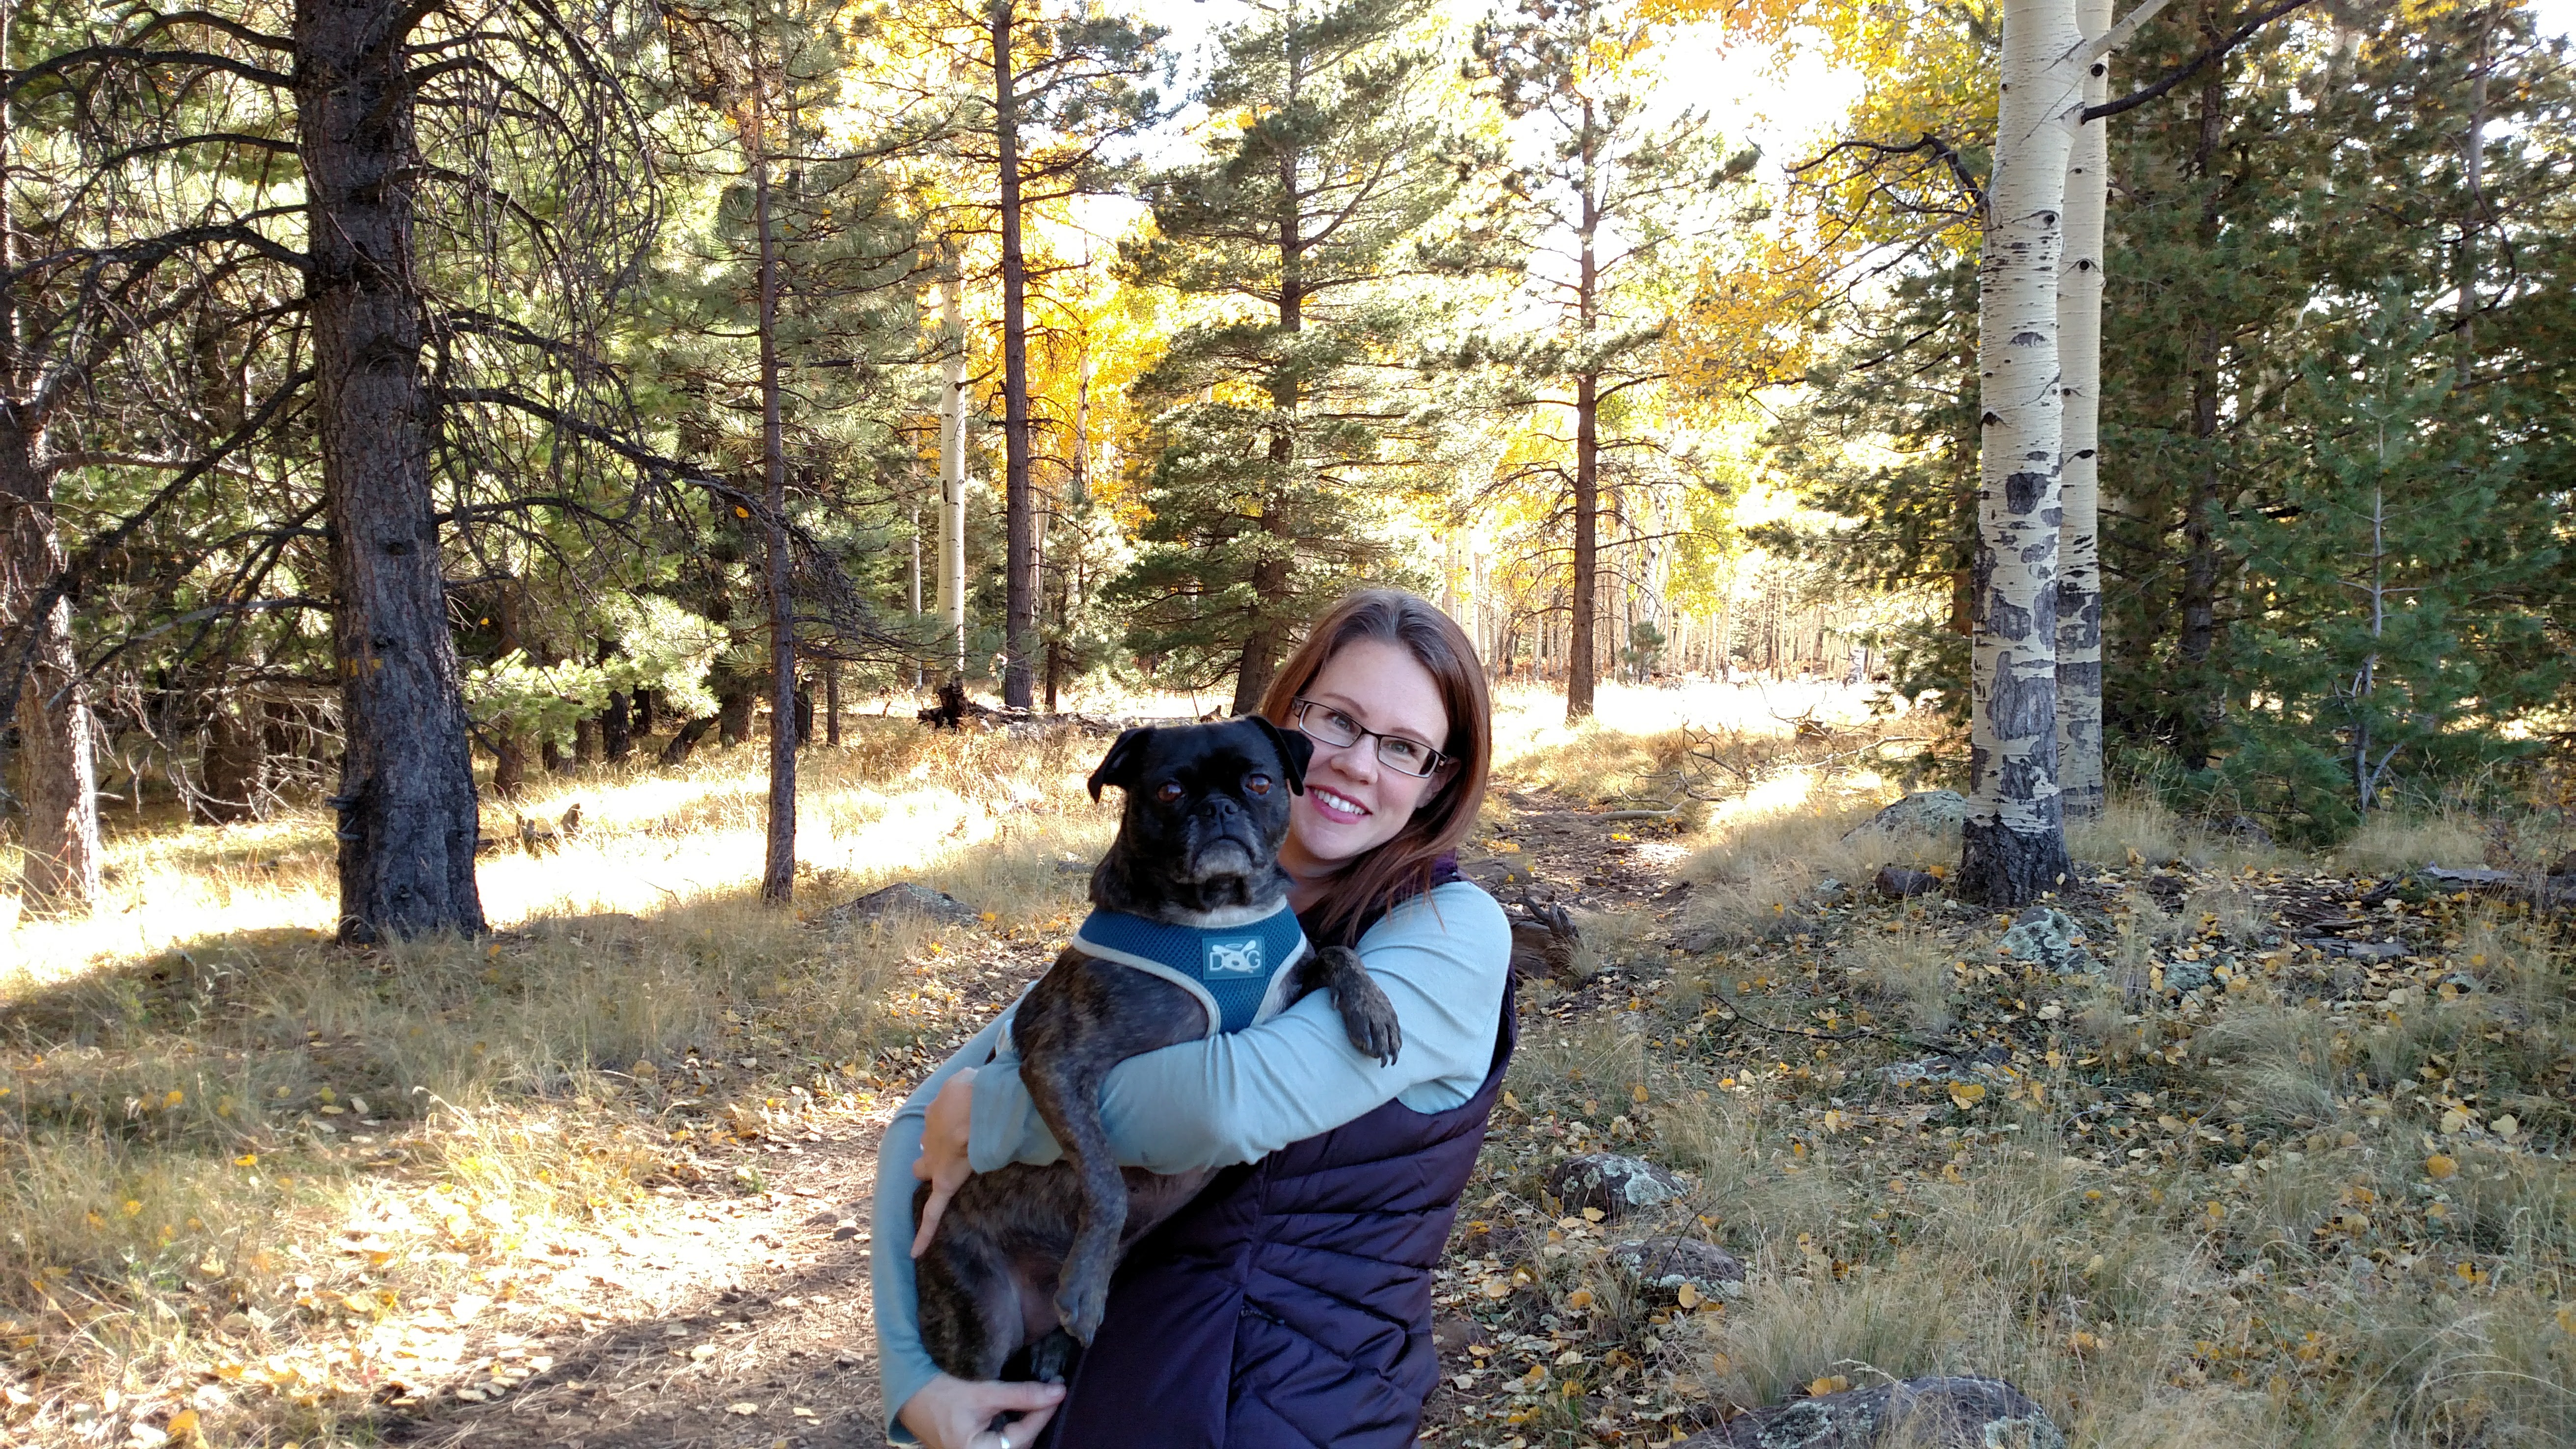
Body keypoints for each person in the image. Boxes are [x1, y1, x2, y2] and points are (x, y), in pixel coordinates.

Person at [871, 589, 1515, 1449]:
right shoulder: (1162, 925)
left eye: (1403, 747)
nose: (1358, 763)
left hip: (1289, 1396)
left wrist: (993, 1115)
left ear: (1440, 781)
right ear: (1286, 718)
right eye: (1338, 721)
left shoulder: (1454, 929)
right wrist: (914, 1384)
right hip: (1118, 1362)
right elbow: (918, 1123)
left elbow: (1226, 1105)